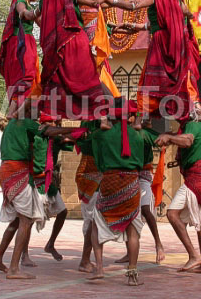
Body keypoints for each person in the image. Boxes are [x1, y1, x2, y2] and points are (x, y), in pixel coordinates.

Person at [94, 0, 196, 124]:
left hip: (160, 44)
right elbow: (183, 14)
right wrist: (133, 25)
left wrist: (111, 0)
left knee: (148, 81)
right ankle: (191, 109)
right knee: (179, 78)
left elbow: (133, 5)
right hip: (176, 45)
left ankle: (141, 120)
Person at [0, 108, 78, 279]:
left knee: (17, 220)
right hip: (19, 173)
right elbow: (48, 130)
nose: (39, 112)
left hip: (13, 172)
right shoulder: (27, 124)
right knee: (26, 219)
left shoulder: (13, 124)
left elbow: (59, 136)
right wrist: (75, 129)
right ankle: (15, 268)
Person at [39, 0, 107, 122]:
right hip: (75, 41)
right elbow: (91, 2)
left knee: (58, 82)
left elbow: (31, 15)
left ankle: (55, 122)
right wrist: (111, 1)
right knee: (89, 79)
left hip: (56, 49)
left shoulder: (44, 0)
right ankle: (103, 118)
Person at [89, 98, 145, 286]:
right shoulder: (140, 136)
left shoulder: (101, 135)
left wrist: (102, 123)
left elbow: (95, 155)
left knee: (96, 223)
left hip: (109, 182)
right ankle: (132, 274)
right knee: (133, 229)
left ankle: (99, 268)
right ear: (130, 116)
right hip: (131, 184)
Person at [156, 120, 201, 274]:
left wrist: (169, 139)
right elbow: (182, 137)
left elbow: (187, 140)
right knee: (200, 220)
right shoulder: (196, 124)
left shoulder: (192, 124)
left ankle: (194, 255)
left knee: (172, 213)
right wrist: (168, 136)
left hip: (198, 177)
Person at [71, 0, 128, 96]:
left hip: (85, 20)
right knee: (96, 65)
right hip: (94, 20)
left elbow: (93, 0)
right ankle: (106, 101)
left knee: (95, 63)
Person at [115, 119, 165, 265]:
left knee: (145, 209)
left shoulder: (143, 133)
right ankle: (129, 252)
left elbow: (159, 140)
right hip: (128, 175)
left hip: (143, 175)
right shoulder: (121, 133)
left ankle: (158, 244)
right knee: (127, 213)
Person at [28, 116, 74, 263]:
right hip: (34, 181)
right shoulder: (37, 134)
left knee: (63, 212)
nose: (57, 125)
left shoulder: (56, 140)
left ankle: (50, 244)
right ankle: (23, 255)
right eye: (55, 123)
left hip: (49, 183)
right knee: (27, 220)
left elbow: (70, 141)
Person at [0, 0, 42, 118]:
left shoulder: (30, 6)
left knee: (32, 77)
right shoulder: (20, 3)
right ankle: (12, 112)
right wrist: (39, 10)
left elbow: (42, 23)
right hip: (20, 43)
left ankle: (24, 112)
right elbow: (24, 14)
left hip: (28, 43)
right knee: (26, 76)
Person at [73, 119, 103, 273]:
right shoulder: (98, 136)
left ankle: (91, 260)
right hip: (92, 180)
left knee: (92, 221)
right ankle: (85, 260)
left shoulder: (87, 135)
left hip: (88, 179)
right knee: (93, 222)